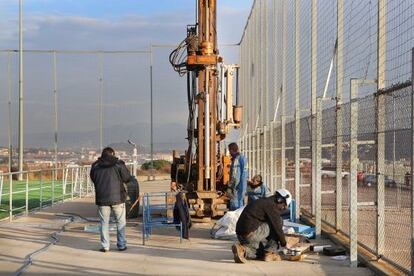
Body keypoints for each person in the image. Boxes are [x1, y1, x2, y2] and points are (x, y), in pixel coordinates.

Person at [232, 189, 292, 263]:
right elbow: (278, 229)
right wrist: (284, 243)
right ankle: (270, 252)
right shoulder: (271, 206)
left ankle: (242, 251)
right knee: (278, 222)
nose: (283, 208)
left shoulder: (262, 201)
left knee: (260, 254)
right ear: (280, 200)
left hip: (241, 235)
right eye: (284, 206)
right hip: (250, 234)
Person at [90, 147, 132, 252]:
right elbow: (127, 178)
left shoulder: (95, 166)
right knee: (121, 222)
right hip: (118, 198)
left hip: (102, 199)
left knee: (104, 223)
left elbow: (93, 179)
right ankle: (121, 245)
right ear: (113, 154)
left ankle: (105, 246)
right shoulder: (118, 164)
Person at [227, 142, 248, 211]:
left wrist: (231, 187)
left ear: (232, 150)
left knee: (236, 207)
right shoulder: (239, 159)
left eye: (229, 150)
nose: (229, 153)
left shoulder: (239, 159)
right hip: (238, 187)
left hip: (237, 188)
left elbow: (238, 175)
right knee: (236, 204)